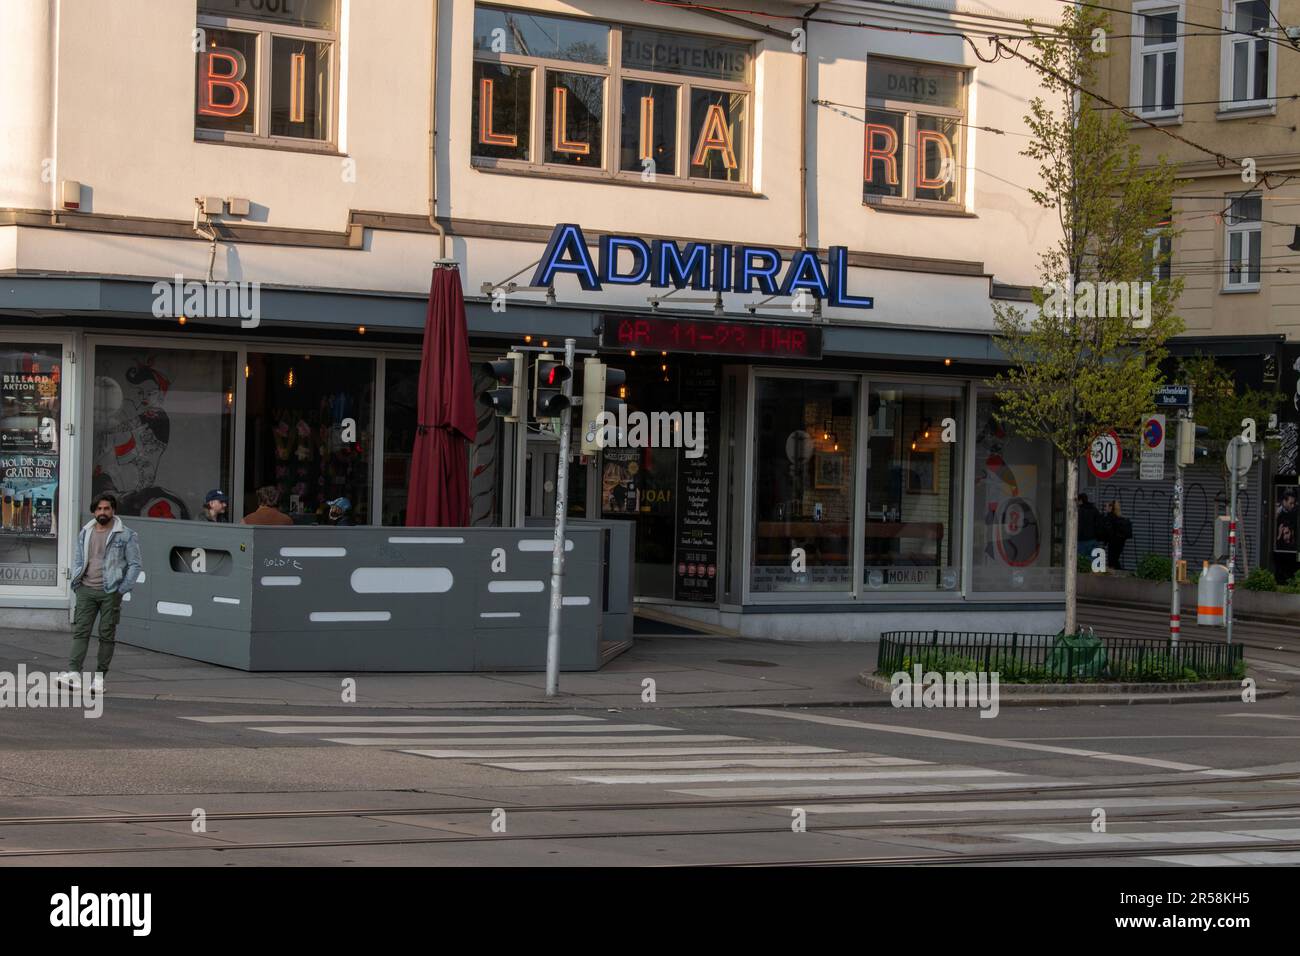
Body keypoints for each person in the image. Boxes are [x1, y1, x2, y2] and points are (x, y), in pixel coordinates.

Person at [58, 493, 142, 695]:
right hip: (86, 589)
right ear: (94, 511)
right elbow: (79, 559)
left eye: (106, 508)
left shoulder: (126, 535)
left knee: (106, 636)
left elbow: (135, 565)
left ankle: (98, 679)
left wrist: (122, 589)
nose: (102, 512)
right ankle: (74, 674)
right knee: (81, 632)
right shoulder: (85, 532)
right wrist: (76, 584)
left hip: (110, 591)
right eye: (99, 509)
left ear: (113, 510)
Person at [1104, 500, 1132, 571]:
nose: (1105, 508)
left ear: (1111, 507)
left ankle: (1119, 575)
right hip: (1120, 542)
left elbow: (1108, 531)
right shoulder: (1118, 516)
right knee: (1114, 560)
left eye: (1106, 506)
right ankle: (1118, 574)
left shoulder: (1110, 516)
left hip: (1113, 542)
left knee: (1112, 560)